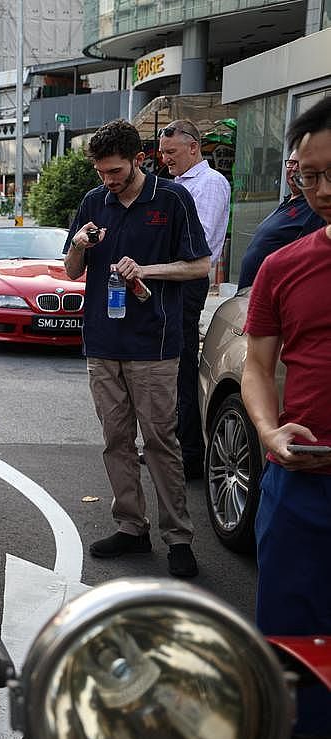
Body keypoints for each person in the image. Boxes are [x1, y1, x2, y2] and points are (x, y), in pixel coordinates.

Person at [63, 118, 210, 578]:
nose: (108, 181)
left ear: (139, 161)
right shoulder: (93, 201)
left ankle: (179, 536)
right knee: (115, 440)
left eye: (116, 172)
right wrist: (81, 245)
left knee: (161, 442)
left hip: (154, 345)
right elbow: (70, 272)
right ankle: (131, 526)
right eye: (102, 173)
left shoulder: (171, 199)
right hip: (102, 342)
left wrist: (147, 270)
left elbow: (200, 265)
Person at [242, 94, 331, 738]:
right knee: (295, 647)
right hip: (300, 486)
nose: (321, 189)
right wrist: (270, 432)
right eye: (308, 175)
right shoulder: (284, 264)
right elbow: (256, 368)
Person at [158, 119, 231, 480]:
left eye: (171, 152)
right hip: (172, 278)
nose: (165, 159)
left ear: (193, 147)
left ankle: (188, 454)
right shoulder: (178, 185)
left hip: (188, 280)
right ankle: (172, 447)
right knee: (169, 362)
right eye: (163, 152)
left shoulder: (210, 184)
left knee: (182, 362)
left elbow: (195, 240)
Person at [237, 150, 327, 289]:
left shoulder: (314, 208)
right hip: (252, 293)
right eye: (291, 163)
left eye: (301, 164)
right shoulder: (288, 202)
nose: (294, 169)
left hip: (277, 293)